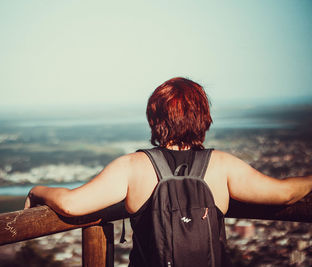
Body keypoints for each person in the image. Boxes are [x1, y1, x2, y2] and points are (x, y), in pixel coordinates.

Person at [24, 77, 312, 265]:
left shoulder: (133, 166)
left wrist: (37, 191)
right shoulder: (223, 165)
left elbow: (71, 204)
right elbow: (285, 193)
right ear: (204, 118)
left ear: (154, 118)